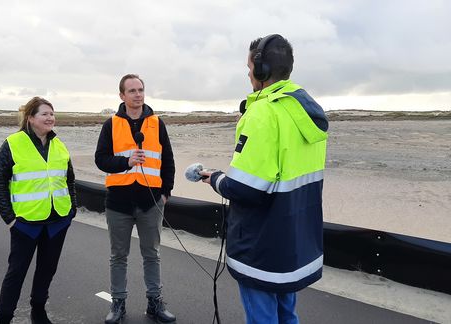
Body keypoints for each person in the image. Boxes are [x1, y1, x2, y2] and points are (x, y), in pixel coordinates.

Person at [200, 34, 328, 324]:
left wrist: (215, 178)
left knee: (262, 318)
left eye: (249, 67)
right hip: (293, 240)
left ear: (261, 70)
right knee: (287, 314)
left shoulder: (263, 113)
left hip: (261, 243)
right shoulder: (303, 110)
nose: (248, 74)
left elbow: (246, 188)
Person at [95, 74, 176, 324]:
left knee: (152, 254)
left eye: (140, 89)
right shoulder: (111, 124)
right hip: (118, 203)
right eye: (131, 90)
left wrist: (165, 193)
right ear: (122, 96)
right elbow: (101, 159)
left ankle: (155, 302)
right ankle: (118, 303)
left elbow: (168, 161)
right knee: (118, 256)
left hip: (150, 202)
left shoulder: (156, 123)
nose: (137, 94)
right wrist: (126, 162)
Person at [0, 97, 77, 324]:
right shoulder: (13, 143)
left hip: (57, 221)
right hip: (25, 223)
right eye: (44, 114)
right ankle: (3, 318)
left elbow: (69, 179)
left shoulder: (59, 144)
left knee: (47, 270)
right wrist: (9, 219)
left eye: (52, 113)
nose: (50, 118)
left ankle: (38, 311)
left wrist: (71, 211)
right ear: (31, 118)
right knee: (16, 273)